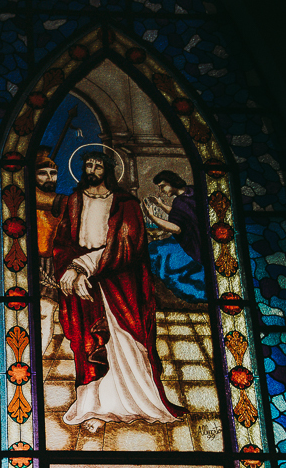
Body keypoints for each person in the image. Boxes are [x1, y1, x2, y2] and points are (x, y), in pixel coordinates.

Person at [50, 151, 187, 433]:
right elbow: (63, 241)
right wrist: (68, 270)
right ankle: (92, 407)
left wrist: (83, 265)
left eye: (98, 165)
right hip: (84, 285)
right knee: (90, 343)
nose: (92, 169)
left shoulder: (125, 203)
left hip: (119, 282)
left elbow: (128, 243)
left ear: (108, 170)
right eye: (88, 164)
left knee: (125, 342)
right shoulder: (74, 201)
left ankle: (139, 403)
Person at [142, 168, 206, 304]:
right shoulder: (191, 191)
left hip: (193, 243)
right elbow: (182, 213)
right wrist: (161, 205)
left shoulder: (180, 202)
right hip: (202, 237)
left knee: (154, 250)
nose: (161, 191)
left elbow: (177, 228)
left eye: (162, 186)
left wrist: (152, 217)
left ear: (171, 182)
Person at [33, 151, 69, 357]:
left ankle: (37, 358)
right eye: (43, 173)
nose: (49, 178)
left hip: (49, 263)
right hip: (26, 261)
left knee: (46, 313)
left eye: (53, 173)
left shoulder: (56, 200)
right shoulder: (28, 195)